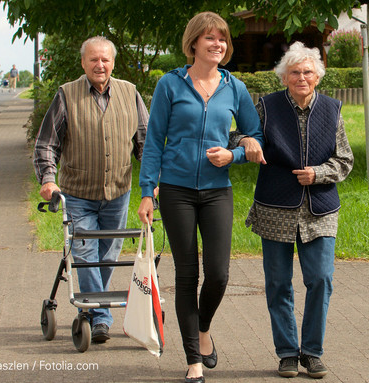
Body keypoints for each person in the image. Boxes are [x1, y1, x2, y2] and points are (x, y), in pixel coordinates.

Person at [137, 12, 263, 383]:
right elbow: (153, 141)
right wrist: (147, 192)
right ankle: (193, 359)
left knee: (220, 275)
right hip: (176, 191)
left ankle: (203, 327)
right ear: (193, 43)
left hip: (216, 191)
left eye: (222, 39)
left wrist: (234, 154)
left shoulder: (234, 87)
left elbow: (253, 134)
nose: (217, 45)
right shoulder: (170, 85)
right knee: (187, 274)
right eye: (210, 38)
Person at [233, 41, 353, 379]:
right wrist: (246, 142)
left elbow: (344, 160)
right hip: (275, 207)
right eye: (295, 72)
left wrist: (319, 173)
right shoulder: (267, 107)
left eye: (308, 72)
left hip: (320, 210)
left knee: (321, 279)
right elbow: (240, 135)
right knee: (278, 284)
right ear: (284, 78)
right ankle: (287, 353)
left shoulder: (332, 109)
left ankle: (312, 352)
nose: (302, 77)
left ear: (318, 77)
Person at [33, 36, 149, 344]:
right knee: (85, 255)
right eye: (94, 60)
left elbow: (144, 141)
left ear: (113, 62)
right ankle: (100, 316)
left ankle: (92, 309)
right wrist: (48, 178)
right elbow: (47, 143)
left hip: (118, 193)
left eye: (105, 60)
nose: (100, 65)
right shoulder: (66, 95)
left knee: (108, 256)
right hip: (77, 193)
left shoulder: (130, 92)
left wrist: (153, 181)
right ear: (83, 63)